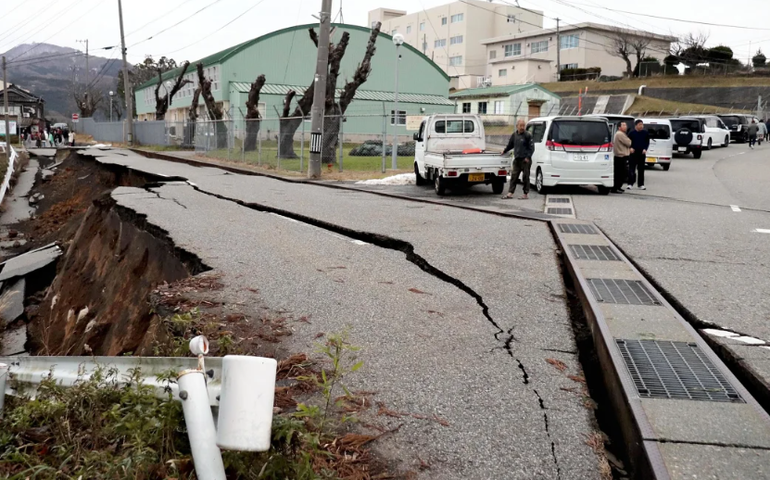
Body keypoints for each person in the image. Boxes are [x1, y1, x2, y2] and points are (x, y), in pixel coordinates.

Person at [501, 119, 535, 200]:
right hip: (517, 159)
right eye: (521, 126)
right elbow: (510, 145)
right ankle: (510, 192)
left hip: (525, 160)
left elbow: (531, 148)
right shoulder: (514, 135)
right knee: (514, 176)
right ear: (517, 126)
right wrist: (504, 151)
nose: (522, 127)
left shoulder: (528, 135)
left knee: (525, 177)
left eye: (524, 126)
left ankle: (525, 193)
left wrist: (528, 157)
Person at [627, 119, 649, 191]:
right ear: (636, 125)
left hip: (641, 153)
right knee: (631, 169)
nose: (641, 126)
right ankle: (630, 183)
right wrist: (630, 148)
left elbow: (647, 142)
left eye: (642, 125)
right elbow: (627, 142)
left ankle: (641, 184)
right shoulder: (631, 133)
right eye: (640, 125)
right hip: (633, 153)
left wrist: (645, 149)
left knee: (641, 169)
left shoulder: (645, 133)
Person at [612, 121, 632, 193]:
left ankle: (618, 186)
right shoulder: (620, 134)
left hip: (621, 156)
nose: (625, 126)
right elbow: (629, 143)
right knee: (620, 173)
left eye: (625, 125)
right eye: (623, 125)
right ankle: (616, 187)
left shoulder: (621, 134)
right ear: (619, 127)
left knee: (621, 173)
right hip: (620, 156)